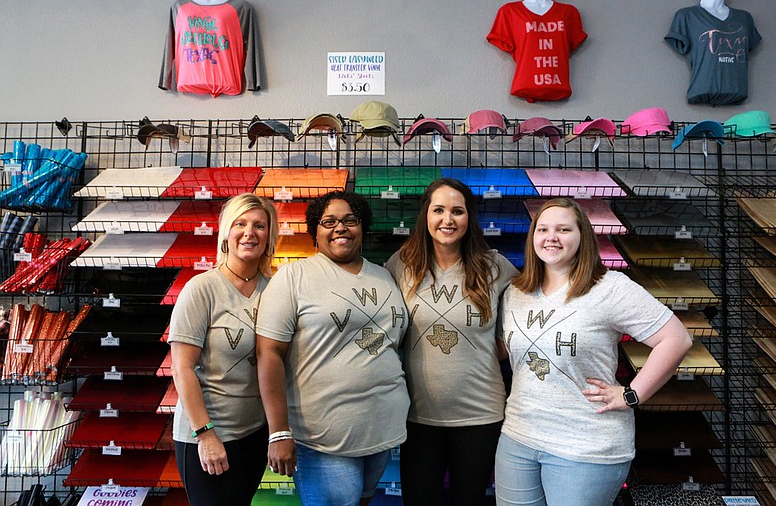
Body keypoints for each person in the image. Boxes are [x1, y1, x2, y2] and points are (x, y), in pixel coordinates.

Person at [494, 198, 692, 506]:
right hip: (518, 438)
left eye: (563, 229)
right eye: (543, 229)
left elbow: (676, 339)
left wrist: (632, 394)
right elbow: (506, 351)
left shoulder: (610, 288)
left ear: (582, 236)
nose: (551, 237)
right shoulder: (516, 292)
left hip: (586, 447)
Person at [256, 191, 410, 506]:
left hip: (382, 431)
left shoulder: (384, 276)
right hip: (323, 438)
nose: (340, 228)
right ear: (315, 232)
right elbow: (269, 355)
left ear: (362, 228)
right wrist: (279, 432)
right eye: (329, 222)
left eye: (350, 220)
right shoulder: (293, 278)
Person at [385, 178, 518, 505]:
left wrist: (488, 350)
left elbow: (521, 327)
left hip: (481, 415)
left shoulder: (495, 268)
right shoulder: (400, 265)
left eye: (457, 211)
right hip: (417, 415)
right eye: (439, 210)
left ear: (468, 218)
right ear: (425, 216)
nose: (448, 220)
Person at [169, 193, 279, 506]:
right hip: (208, 433)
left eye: (259, 225)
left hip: (256, 432)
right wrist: (205, 435)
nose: (249, 232)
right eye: (240, 223)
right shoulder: (201, 289)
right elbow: (182, 368)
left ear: (270, 235)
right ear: (226, 233)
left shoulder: (276, 290)